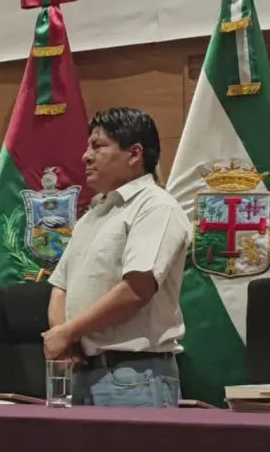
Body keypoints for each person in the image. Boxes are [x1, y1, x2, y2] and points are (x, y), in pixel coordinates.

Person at [44, 107, 190, 407]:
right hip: (80, 370)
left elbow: (137, 288)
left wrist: (67, 332)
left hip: (133, 376)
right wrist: (64, 341)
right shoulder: (93, 215)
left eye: (97, 146)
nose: (86, 156)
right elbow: (60, 286)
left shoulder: (155, 206)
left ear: (134, 153)